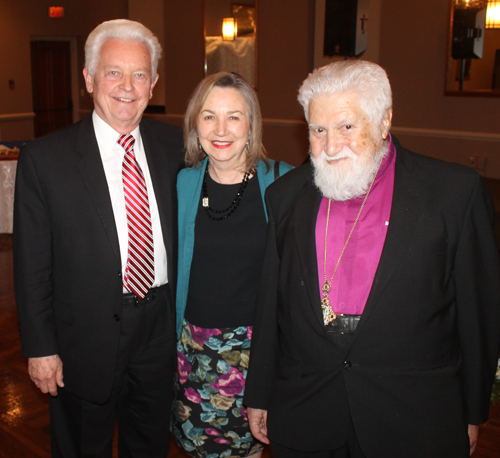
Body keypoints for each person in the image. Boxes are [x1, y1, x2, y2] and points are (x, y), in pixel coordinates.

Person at [243, 60, 500, 458]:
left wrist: (472, 409)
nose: (330, 146)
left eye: (347, 127)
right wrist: (258, 391)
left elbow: (478, 315)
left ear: (384, 122)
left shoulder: (455, 195)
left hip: (413, 419)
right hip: (307, 410)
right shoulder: (285, 196)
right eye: (318, 130)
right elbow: (270, 305)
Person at [14, 19, 184, 458]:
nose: (127, 86)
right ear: (89, 78)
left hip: (161, 327)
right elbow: (32, 265)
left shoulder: (178, 146)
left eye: (140, 74)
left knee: (148, 443)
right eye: (113, 72)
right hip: (82, 338)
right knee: (80, 446)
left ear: (154, 83)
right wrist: (40, 348)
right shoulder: (45, 159)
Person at [171, 71, 293, 457]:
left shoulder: (283, 183)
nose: (220, 129)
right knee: (195, 447)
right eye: (209, 116)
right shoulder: (182, 184)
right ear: (195, 123)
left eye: (234, 116)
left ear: (251, 124)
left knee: (248, 449)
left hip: (255, 355)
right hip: (192, 352)